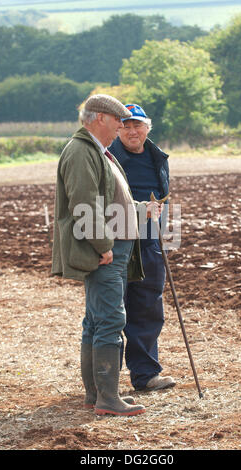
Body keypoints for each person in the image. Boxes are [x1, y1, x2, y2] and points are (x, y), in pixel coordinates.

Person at [51, 94, 161, 416]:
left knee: (97, 321)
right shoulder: (83, 151)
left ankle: (96, 395)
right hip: (106, 254)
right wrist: (105, 246)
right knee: (110, 320)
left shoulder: (98, 152)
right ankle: (108, 399)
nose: (120, 128)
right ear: (100, 118)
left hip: (111, 249)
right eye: (117, 121)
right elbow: (85, 206)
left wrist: (141, 210)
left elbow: (111, 204)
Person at [109, 103, 176, 392]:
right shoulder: (106, 157)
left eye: (137, 125)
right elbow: (100, 206)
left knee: (148, 308)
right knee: (111, 312)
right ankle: (105, 383)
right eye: (125, 125)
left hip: (150, 243)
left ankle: (146, 375)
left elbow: (163, 201)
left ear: (147, 127)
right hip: (117, 242)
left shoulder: (157, 156)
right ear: (117, 128)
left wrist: (164, 236)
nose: (132, 130)